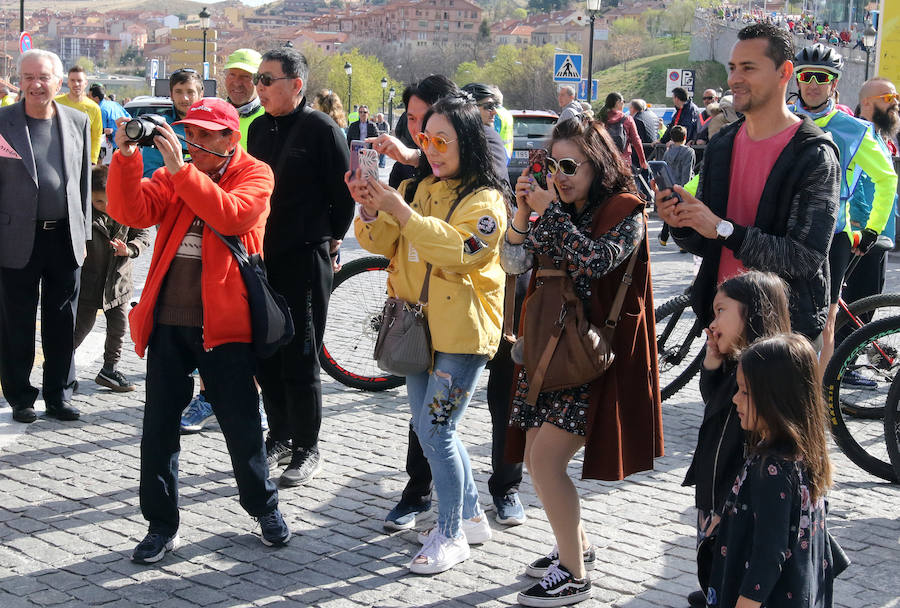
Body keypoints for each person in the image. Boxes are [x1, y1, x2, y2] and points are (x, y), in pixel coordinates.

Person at [107, 97, 290, 563]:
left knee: (242, 424)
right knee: (158, 428)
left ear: (232, 138)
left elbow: (232, 215)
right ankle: (160, 523)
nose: (195, 141)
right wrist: (125, 157)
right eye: (191, 131)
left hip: (225, 325)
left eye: (208, 134)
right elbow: (130, 211)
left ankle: (263, 506)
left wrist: (181, 171)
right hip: (169, 321)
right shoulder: (174, 173)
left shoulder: (256, 174)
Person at [503, 118, 663, 607]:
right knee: (535, 458)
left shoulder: (624, 210)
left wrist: (551, 212)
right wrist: (522, 212)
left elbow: (596, 260)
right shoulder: (560, 208)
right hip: (546, 348)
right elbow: (514, 264)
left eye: (570, 165)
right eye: (553, 165)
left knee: (548, 461)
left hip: (590, 355)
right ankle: (578, 546)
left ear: (599, 163)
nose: (561, 175)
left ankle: (574, 574)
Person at [349, 91, 509, 574]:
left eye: (443, 140)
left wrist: (401, 212)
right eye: (425, 138)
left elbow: (463, 250)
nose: (433, 149)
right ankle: (470, 516)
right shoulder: (422, 190)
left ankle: (452, 532)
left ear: (470, 144)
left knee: (437, 431)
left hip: (462, 334)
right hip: (418, 328)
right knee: (430, 428)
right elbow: (382, 242)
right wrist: (372, 210)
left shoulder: (487, 201)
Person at [657, 22, 841, 343]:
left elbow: (805, 258)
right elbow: (708, 242)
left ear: (784, 72)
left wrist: (723, 229)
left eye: (748, 68)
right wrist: (682, 224)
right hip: (721, 326)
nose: (734, 79)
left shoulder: (814, 154)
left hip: (782, 335)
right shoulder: (722, 144)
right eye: (732, 68)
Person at [248, 48, 355, 488]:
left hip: (305, 257)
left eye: (267, 79)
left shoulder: (322, 129)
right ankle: (281, 435)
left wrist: (328, 237)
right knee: (266, 353)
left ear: (295, 84)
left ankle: (308, 446)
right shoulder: (255, 129)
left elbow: (344, 194)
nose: (259, 86)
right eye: (257, 78)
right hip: (261, 258)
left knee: (302, 354)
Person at [683, 271, 792, 607]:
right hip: (715, 485)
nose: (712, 321)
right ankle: (715, 589)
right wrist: (712, 363)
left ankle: (726, 593)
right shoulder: (737, 362)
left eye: (721, 311)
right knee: (714, 549)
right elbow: (714, 403)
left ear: (752, 313)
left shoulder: (763, 372)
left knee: (733, 550)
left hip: (736, 491)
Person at [706, 334, 835, 608]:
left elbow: (769, 553)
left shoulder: (773, 468)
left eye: (744, 392)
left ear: (776, 399)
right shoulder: (803, 452)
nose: (735, 400)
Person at [790, 44, 897, 365]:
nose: (812, 84)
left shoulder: (855, 130)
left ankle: (817, 401)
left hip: (831, 237)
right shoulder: (780, 119)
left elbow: (887, 179)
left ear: (834, 83)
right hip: (782, 232)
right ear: (795, 78)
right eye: (806, 76)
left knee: (826, 323)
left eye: (822, 77)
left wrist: (872, 229)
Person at [0, 49, 91, 424]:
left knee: (62, 321)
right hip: (15, 238)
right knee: (15, 321)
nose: (35, 85)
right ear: (18, 81)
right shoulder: (2, 121)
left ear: (58, 81)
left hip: (64, 238)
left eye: (43, 78)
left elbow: (83, 182)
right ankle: (20, 396)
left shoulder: (77, 120)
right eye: (27, 78)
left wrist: (84, 234)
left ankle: (59, 395)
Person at [73, 165, 151, 392]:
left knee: (118, 328)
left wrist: (130, 249)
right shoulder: (83, 215)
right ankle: (62, 367)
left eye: (109, 201)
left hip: (118, 284)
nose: (105, 207)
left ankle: (110, 369)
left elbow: (143, 233)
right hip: (89, 284)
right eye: (99, 202)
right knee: (80, 328)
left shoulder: (126, 209)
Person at [842, 79, 900, 339]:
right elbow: (855, 187)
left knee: (871, 299)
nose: (895, 103)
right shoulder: (858, 134)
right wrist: (864, 228)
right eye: (888, 98)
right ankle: (842, 365)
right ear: (866, 101)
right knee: (855, 300)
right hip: (863, 233)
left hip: (881, 233)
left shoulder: (880, 136)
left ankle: (849, 360)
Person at [140, 68, 202, 178]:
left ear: (201, 94)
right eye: (178, 92)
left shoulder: (213, 126)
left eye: (190, 92)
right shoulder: (160, 129)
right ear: (171, 95)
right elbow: (150, 174)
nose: (185, 98)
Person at [55, 65, 102, 164]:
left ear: (85, 83)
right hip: (58, 156)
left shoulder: (94, 108)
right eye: (72, 80)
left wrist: (92, 160)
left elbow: (96, 136)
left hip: (82, 159)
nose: (76, 84)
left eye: (79, 81)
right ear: (67, 82)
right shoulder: (55, 103)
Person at [462, 82, 510, 178]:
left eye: (494, 106)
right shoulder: (463, 139)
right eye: (489, 107)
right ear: (470, 108)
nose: (495, 112)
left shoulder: (488, 136)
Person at [658, 125, 696, 246]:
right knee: (684, 215)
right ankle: (682, 244)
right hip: (682, 186)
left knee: (671, 211)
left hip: (669, 186)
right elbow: (687, 171)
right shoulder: (689, 152)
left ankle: (664, 237)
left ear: (671, 138)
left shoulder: (667, 152)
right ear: (685, 137)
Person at [223, 48, 265, 146]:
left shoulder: (271, 119)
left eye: (246, 76)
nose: (237, 83)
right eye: (232, 75)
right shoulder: (214, 114)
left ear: (259, 80)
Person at [602, 92, 648, 171]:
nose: (623, 104)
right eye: (623, 101)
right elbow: (636, 140)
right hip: (624, 160)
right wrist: (642, 160)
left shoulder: (601, 119)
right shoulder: (627, 119)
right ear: (618, 103)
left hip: (605, 160)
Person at [89, 83, 130, 165]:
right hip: (126, 142)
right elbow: (128, 117)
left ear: (96, 98)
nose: (88, 99)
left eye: (89, 96)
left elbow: (99, 130)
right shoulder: (114, 104)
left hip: (111, 147)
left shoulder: (100, 109)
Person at [489, 85, 514, 161]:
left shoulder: (495, 114)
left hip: (497, 155)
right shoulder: (507, 113)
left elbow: (492, 135)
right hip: (507, 154)